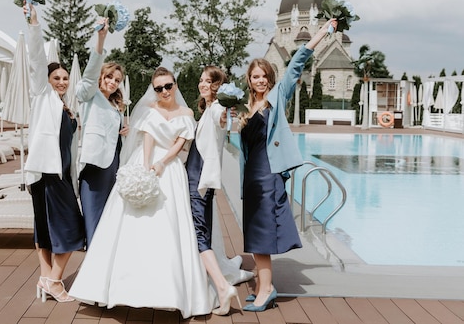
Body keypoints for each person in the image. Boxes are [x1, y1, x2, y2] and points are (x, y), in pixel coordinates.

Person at [69, 67, 215, 318]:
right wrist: (146, 165)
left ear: (175, 85)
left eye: (168, 86)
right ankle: (118, 287)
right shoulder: (150, 110)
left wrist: (162, 163)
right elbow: (147, 138)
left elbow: (180, 144)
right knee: (130, 224)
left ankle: (169, 290)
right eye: (158, 88)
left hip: (170, 169)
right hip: (145, 163)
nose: (164, 91)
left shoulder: (187, 113)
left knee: (168, 225)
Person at [239, 18, 337, 312]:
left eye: (264, 75)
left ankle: (266, 289)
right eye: (255, 76)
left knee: (262, 233)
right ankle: (262, 283)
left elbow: (297, 62)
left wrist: (322, 32)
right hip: (252, 178)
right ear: (249, 80)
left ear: (270, 77)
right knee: (254, 232)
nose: (260, 80)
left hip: (269, 175)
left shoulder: (276, 97)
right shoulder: (247, 108)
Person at [24, 3, 85, 303]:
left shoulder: (65, 107)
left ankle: (46, 278)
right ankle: (55, 281)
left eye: (65, 78)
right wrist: (35, 25)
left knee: (46, 229)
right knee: (72, 227)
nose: (62, 81)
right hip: (47, 174)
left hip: (56, 175)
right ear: (47, 80)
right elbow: (37, 60)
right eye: (56, 77)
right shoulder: (42, 96)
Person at [185, 65, 241, 316]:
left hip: (198, 180)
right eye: (201, 80)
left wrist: (229, 113)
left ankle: (221, 286)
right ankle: (213, 288)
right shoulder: (208, 109)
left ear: (217, 86)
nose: (202, 84)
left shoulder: (217, 109)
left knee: (198, 235)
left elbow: (228, 123)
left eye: (208, 81)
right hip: (202, 180)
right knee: (202, 231)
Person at [76, 19, 128, 247]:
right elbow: (88, 76)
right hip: (94, 166)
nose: (113, 82)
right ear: (101, 76)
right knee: (94, 217)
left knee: (109, 216)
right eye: (109, 77)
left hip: (113, 166)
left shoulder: (115, 106)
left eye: (117, 80)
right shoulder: (89, 95)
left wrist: (121, 132)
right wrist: (101, 39)